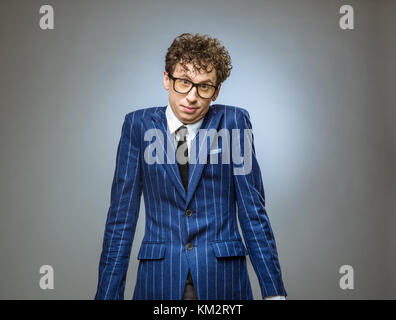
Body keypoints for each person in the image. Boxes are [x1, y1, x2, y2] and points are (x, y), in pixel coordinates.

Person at [94, 33, 287, 300]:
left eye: (204, 86)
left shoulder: (234, 122)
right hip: (158, 281)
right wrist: (106, 296)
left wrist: (274, 293)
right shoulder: (138, 126)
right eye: (184, 82)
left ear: (216, 91)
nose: (192, 96)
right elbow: (121, 220)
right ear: (166, 79)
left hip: (224, 281)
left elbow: (253, 212)